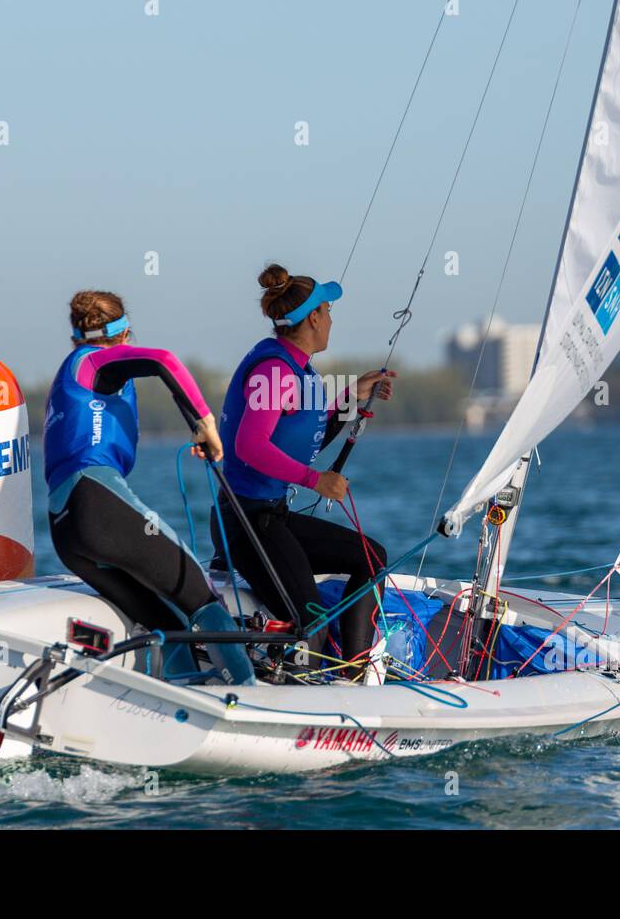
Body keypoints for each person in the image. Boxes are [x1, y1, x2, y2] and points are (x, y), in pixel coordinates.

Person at [45, 290, 254, 684]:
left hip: (65, 531)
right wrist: (207, 424)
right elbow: (163, 361)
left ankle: (179, 696)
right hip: (95, 502)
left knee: (164, 619)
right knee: (202, 598)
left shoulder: (69, 372)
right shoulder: (94, 364)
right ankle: (247, 692)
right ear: (124, 335)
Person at [214, 264, 395, 680]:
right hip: (244, 524)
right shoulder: (276, 370)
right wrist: (317, 481)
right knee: (310, 616)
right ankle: (309, 692)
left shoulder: (298, 369)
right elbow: (249, 446)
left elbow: (307, 434)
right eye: (328, 310)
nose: (332, 319)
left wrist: (353, 398)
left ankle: (352, 674)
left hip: (271, 516)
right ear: (313, 317)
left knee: (371, 557)